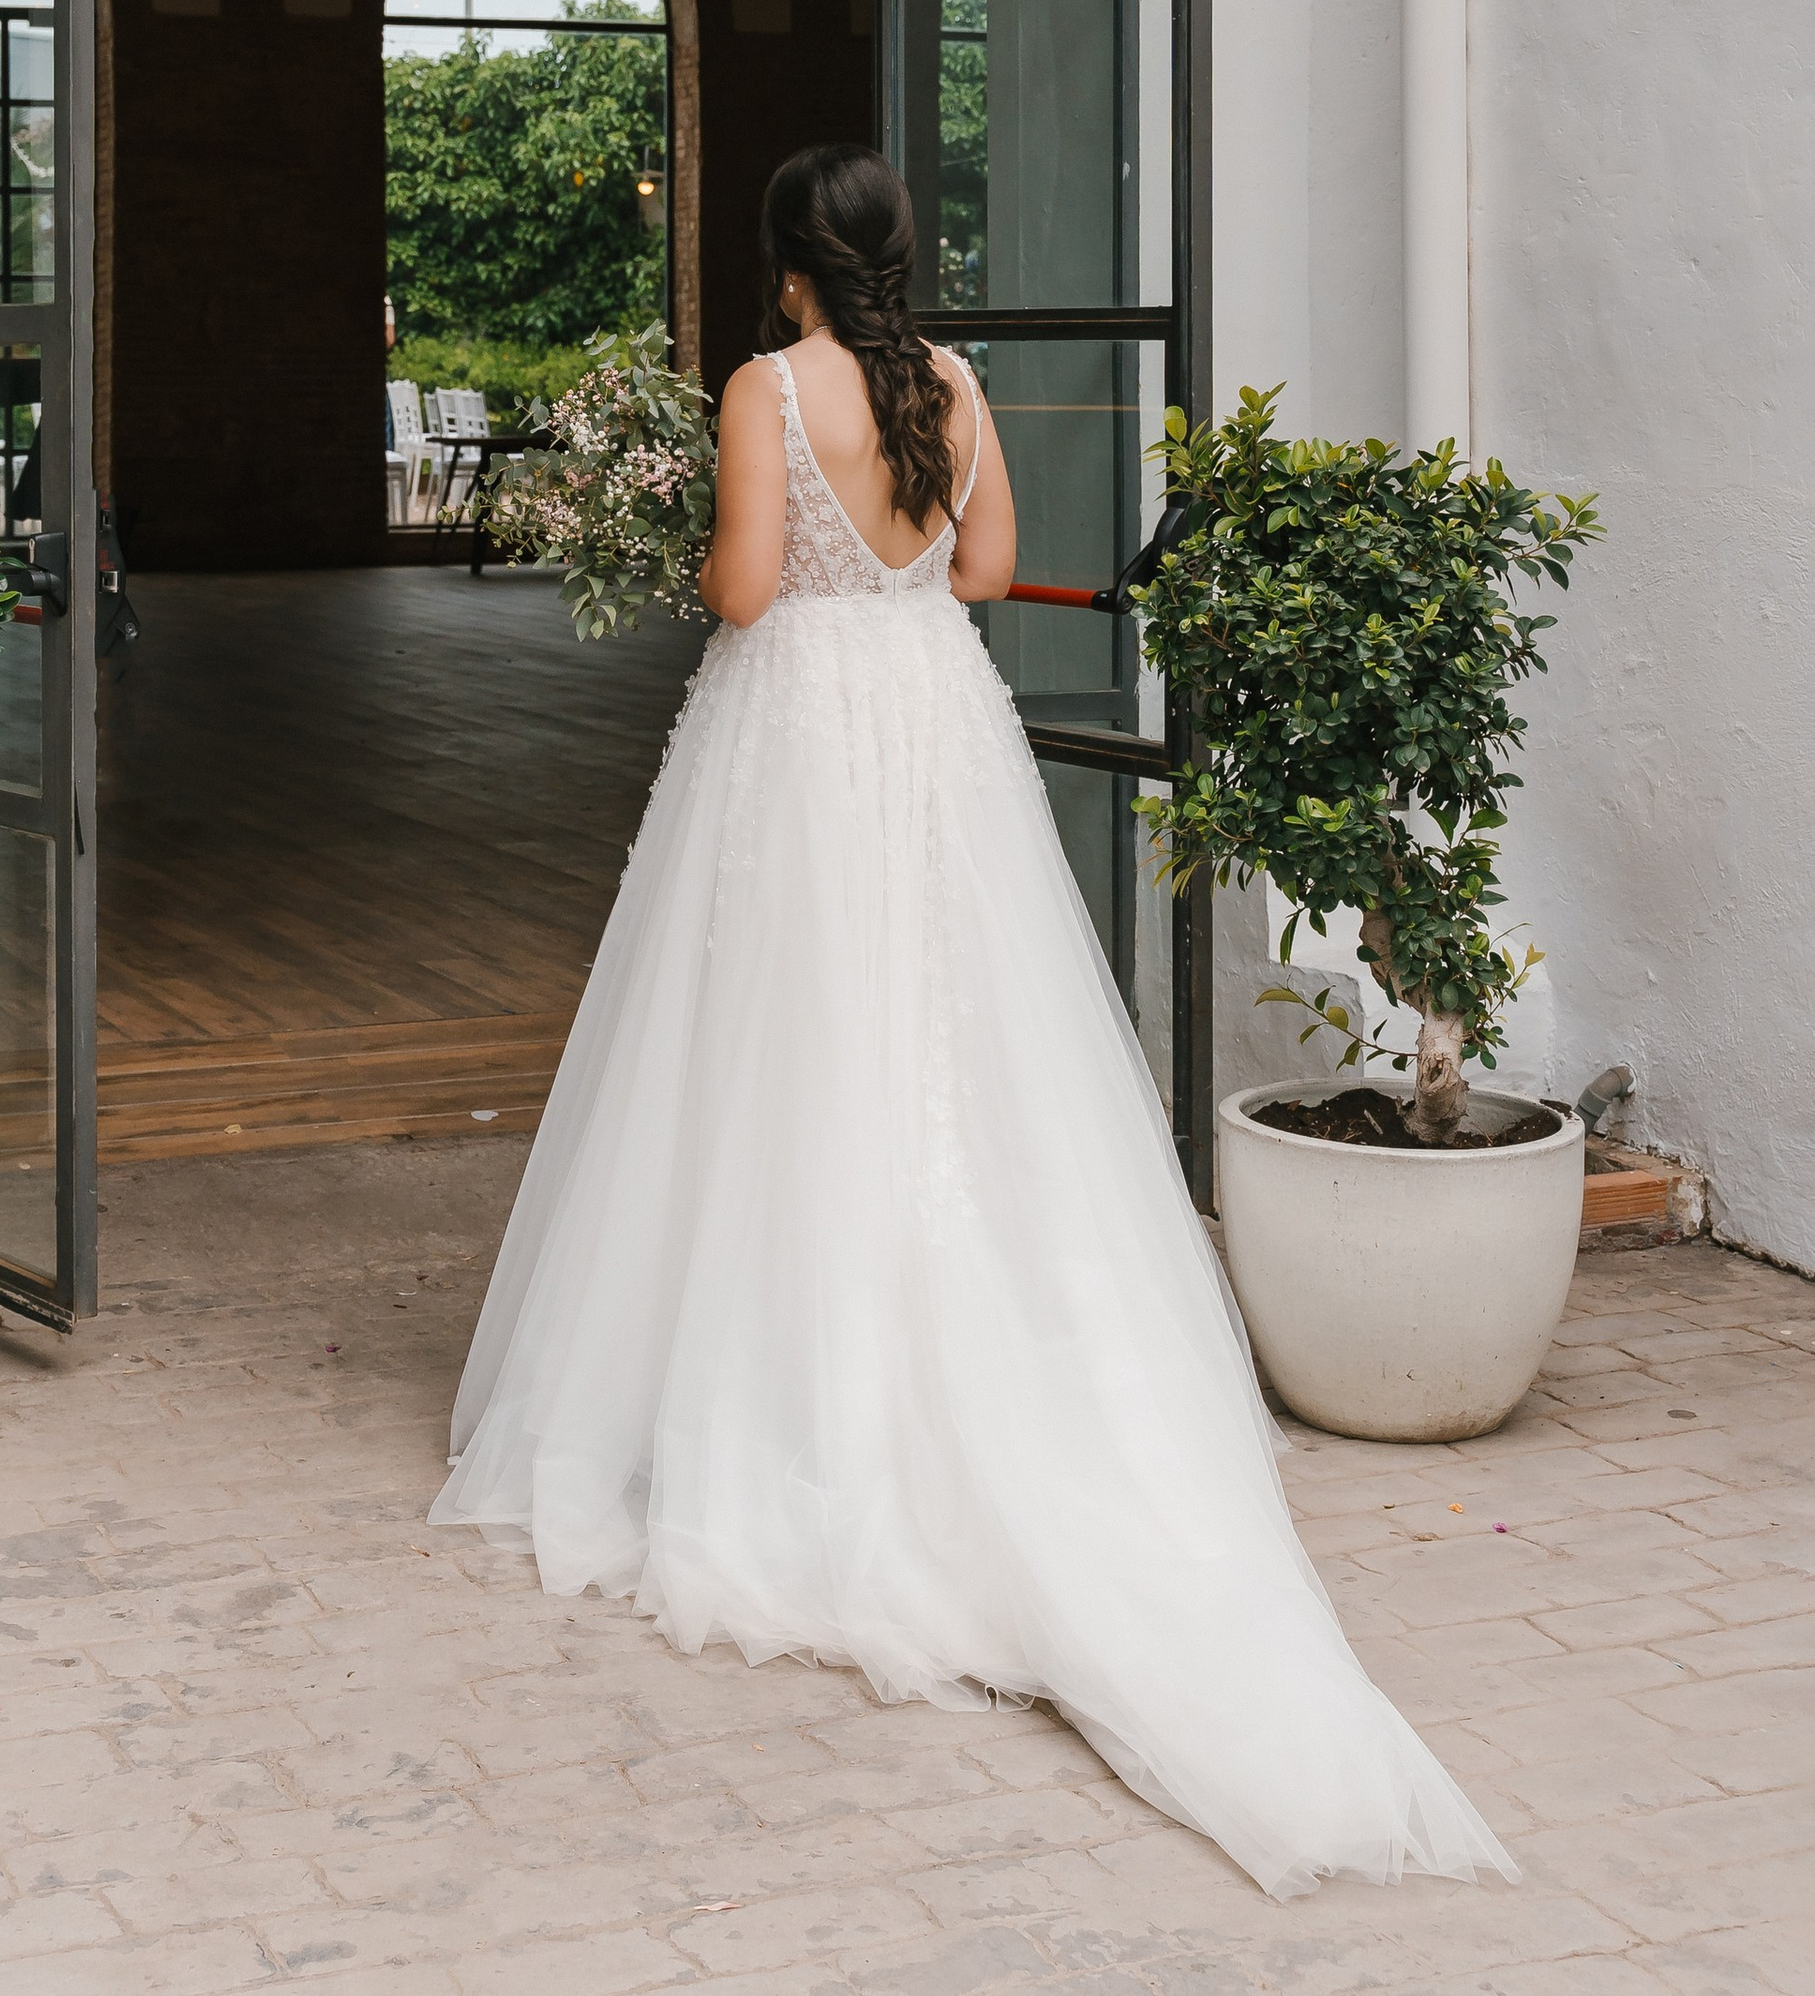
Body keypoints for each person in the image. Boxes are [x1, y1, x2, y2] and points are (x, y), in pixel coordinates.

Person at [432, 141, 1513, 1900]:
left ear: (784, 260)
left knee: (774, 1057)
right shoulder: (951, 384)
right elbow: (994, 575)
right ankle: (979, 1356)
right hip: (931, 729)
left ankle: (782, 1392)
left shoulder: (764, 388)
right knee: (954, 1041)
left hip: (793, 745)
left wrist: (706, 511)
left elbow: (740, 596)